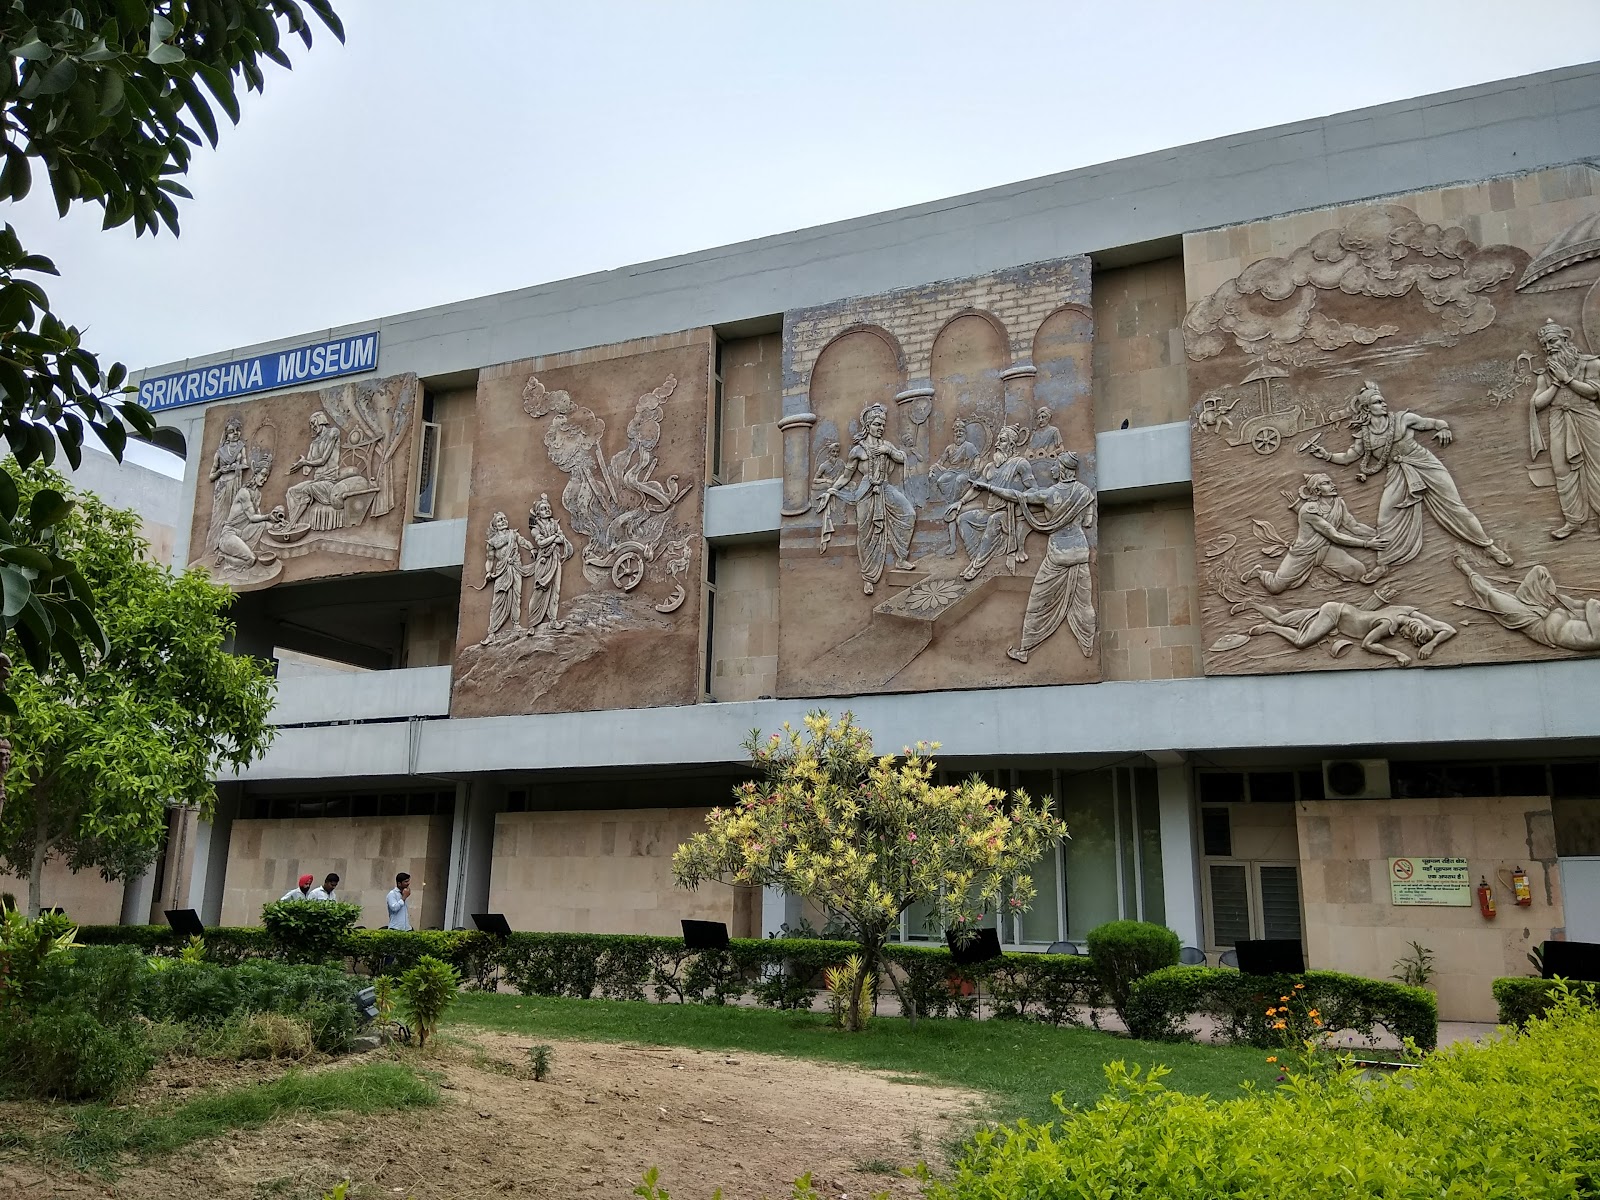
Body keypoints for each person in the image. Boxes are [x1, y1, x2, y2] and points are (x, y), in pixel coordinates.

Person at [1306, 381, 1511, 574]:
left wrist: (1444, 429)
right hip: (1398, 473)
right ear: (1367, 408)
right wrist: (1325, 455)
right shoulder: (1365, 435)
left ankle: (1490, 547)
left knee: (1455, 507)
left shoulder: (1403, 419)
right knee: (1385, 517)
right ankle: (1384, 563)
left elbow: (1434, 422)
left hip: (1424, 463)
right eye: (1378, 402)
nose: (1384, 403)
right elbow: (1349, 457)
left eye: (1383, 400)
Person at [973, 453, 1098, 662]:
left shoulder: (1049, 495)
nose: (1052, 470)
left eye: (1055, 466)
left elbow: (1015, 495)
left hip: (1058, 555)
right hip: (1080, 551)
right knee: (1084, 604)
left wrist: (987, 487)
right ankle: (1088, 647)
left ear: (1063, 469)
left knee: (1037, 603)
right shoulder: (1085, 493)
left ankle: (1025, 650)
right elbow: (1087, 522)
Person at [820, 402, 918, 594]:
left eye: (882, 425)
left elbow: (901, 457)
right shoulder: (858, 450)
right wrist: (832, 489)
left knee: (909, 514)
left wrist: (888, 451)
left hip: (885, 487)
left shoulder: (886, 445)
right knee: (865, 534)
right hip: (865, 492)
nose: (880, 428)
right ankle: (868, 577)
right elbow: (846, 476)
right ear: (868, 426)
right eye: (876, 424)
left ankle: (901, 558)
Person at [1241, 473, 1383, 594]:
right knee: (1275, 587)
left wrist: (1379, 533)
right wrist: (1366, 544)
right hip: (1303, 553)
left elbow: (1354, 526)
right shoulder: (1308, 510)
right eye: (1326, 483)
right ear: (1316, 490)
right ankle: (1259, 573)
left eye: (1331, 482)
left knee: (1358, 570)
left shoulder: (1338, 503)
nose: (1333, 485)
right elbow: (1334, 535)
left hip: (1323, 550)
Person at [1527, 318, 1600, 538]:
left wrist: (1567, 378)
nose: (1549, 348)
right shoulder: (1545, 373)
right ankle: (1573, 520)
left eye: (1553, 341)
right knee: (1562, 470)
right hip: (1559, 419)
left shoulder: (1590, 363)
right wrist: (1556, 382)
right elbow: (1537, 404)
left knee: (1597, 467)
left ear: (1565, 339)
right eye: (1545, 345)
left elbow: (1594, 392)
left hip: (1587, 417)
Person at [1453, 555, 1600, 651]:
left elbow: (1592, 604)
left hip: (1536, 624)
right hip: (1544, 607)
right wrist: (1553, 594)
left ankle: (1469, 572)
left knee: (1492, 595)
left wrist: (1590, 605)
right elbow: (1575, 605)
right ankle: (1534, 595)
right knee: (1539, 571)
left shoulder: (1597, 636)